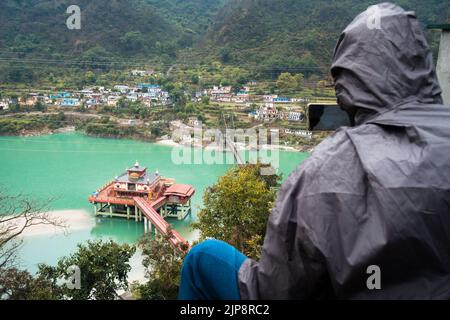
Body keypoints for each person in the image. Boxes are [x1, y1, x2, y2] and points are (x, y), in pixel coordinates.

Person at [179, 3, 450, 300]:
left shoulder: (325, 170)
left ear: (347, 80)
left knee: (202, 257)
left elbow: (274, 292)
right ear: (422, 64)